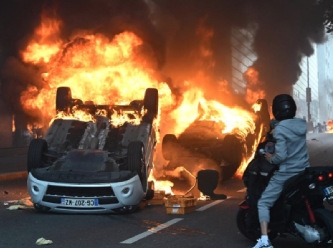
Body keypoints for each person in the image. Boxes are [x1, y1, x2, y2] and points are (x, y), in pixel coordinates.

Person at [252, 94, 310, 248]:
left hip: (287, 173)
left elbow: (281, 156)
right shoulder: (301, 125)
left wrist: (270, 158)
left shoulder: (280, 130)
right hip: (304, 170)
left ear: (276, 110)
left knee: (263, 203)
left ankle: (265, 240)